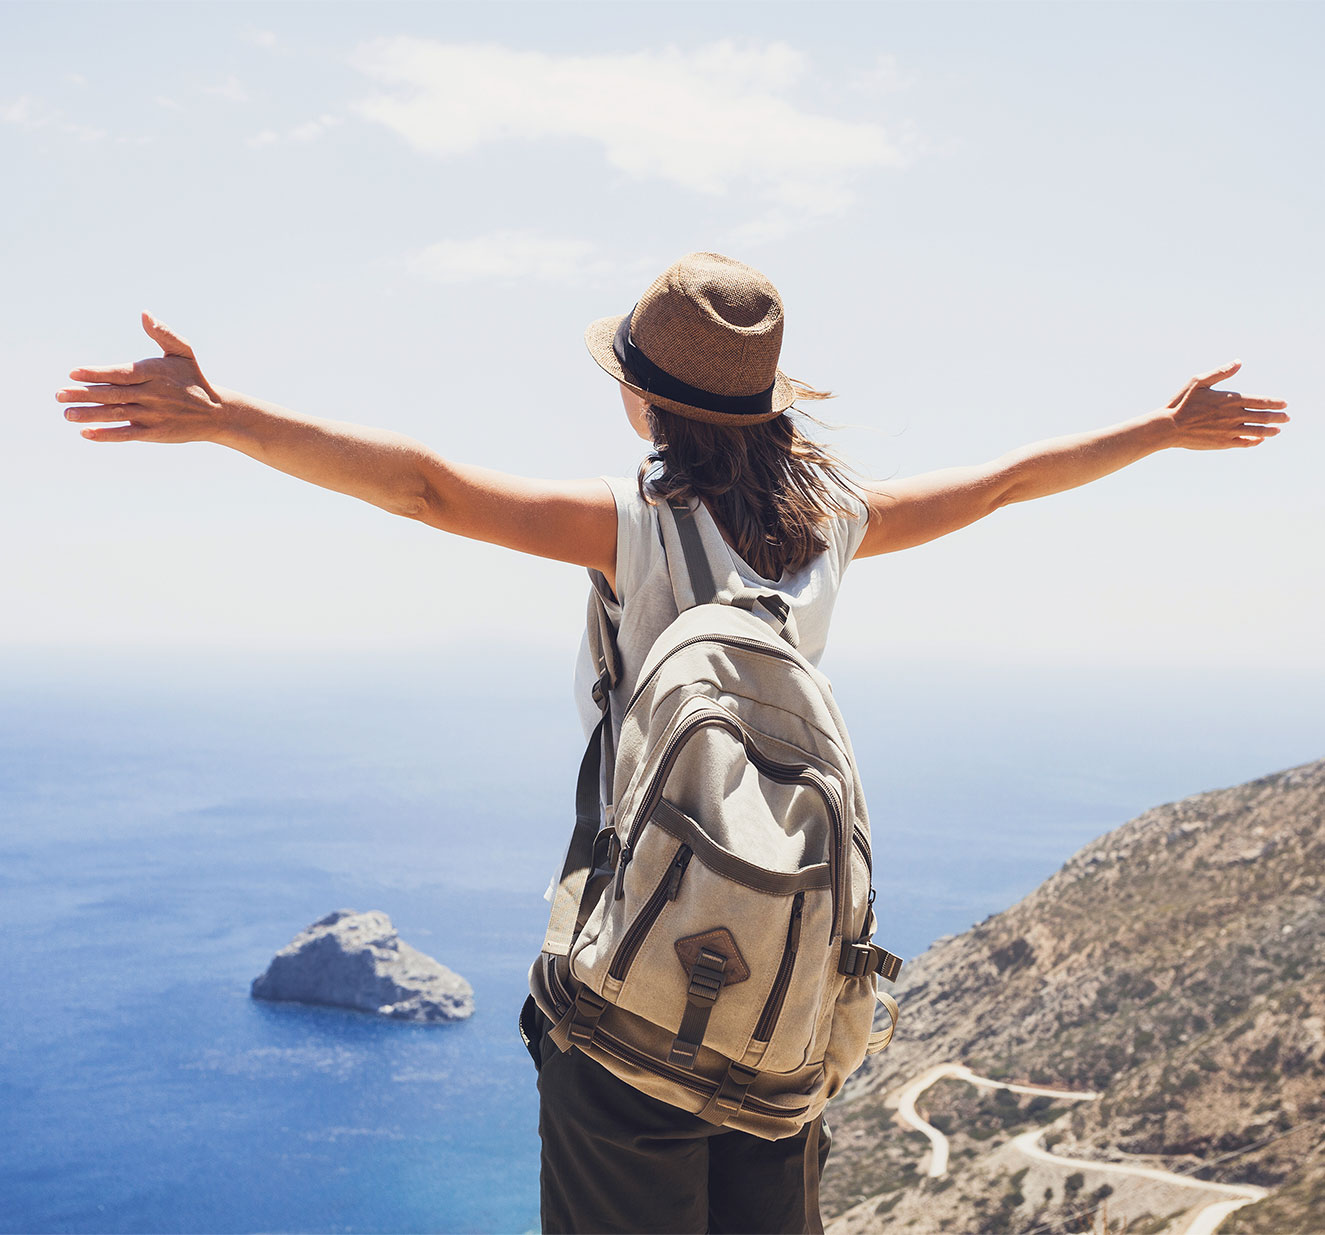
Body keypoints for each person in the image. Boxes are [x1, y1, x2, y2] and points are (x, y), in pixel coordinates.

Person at [57, 252, 1288, 1234]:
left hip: (635, 991)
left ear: (644, 398)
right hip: (786, 990)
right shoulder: (831, 524)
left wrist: (225, 417)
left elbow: (426, 488)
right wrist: (1158, 428)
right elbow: (1006, 480)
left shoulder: (629, 527)